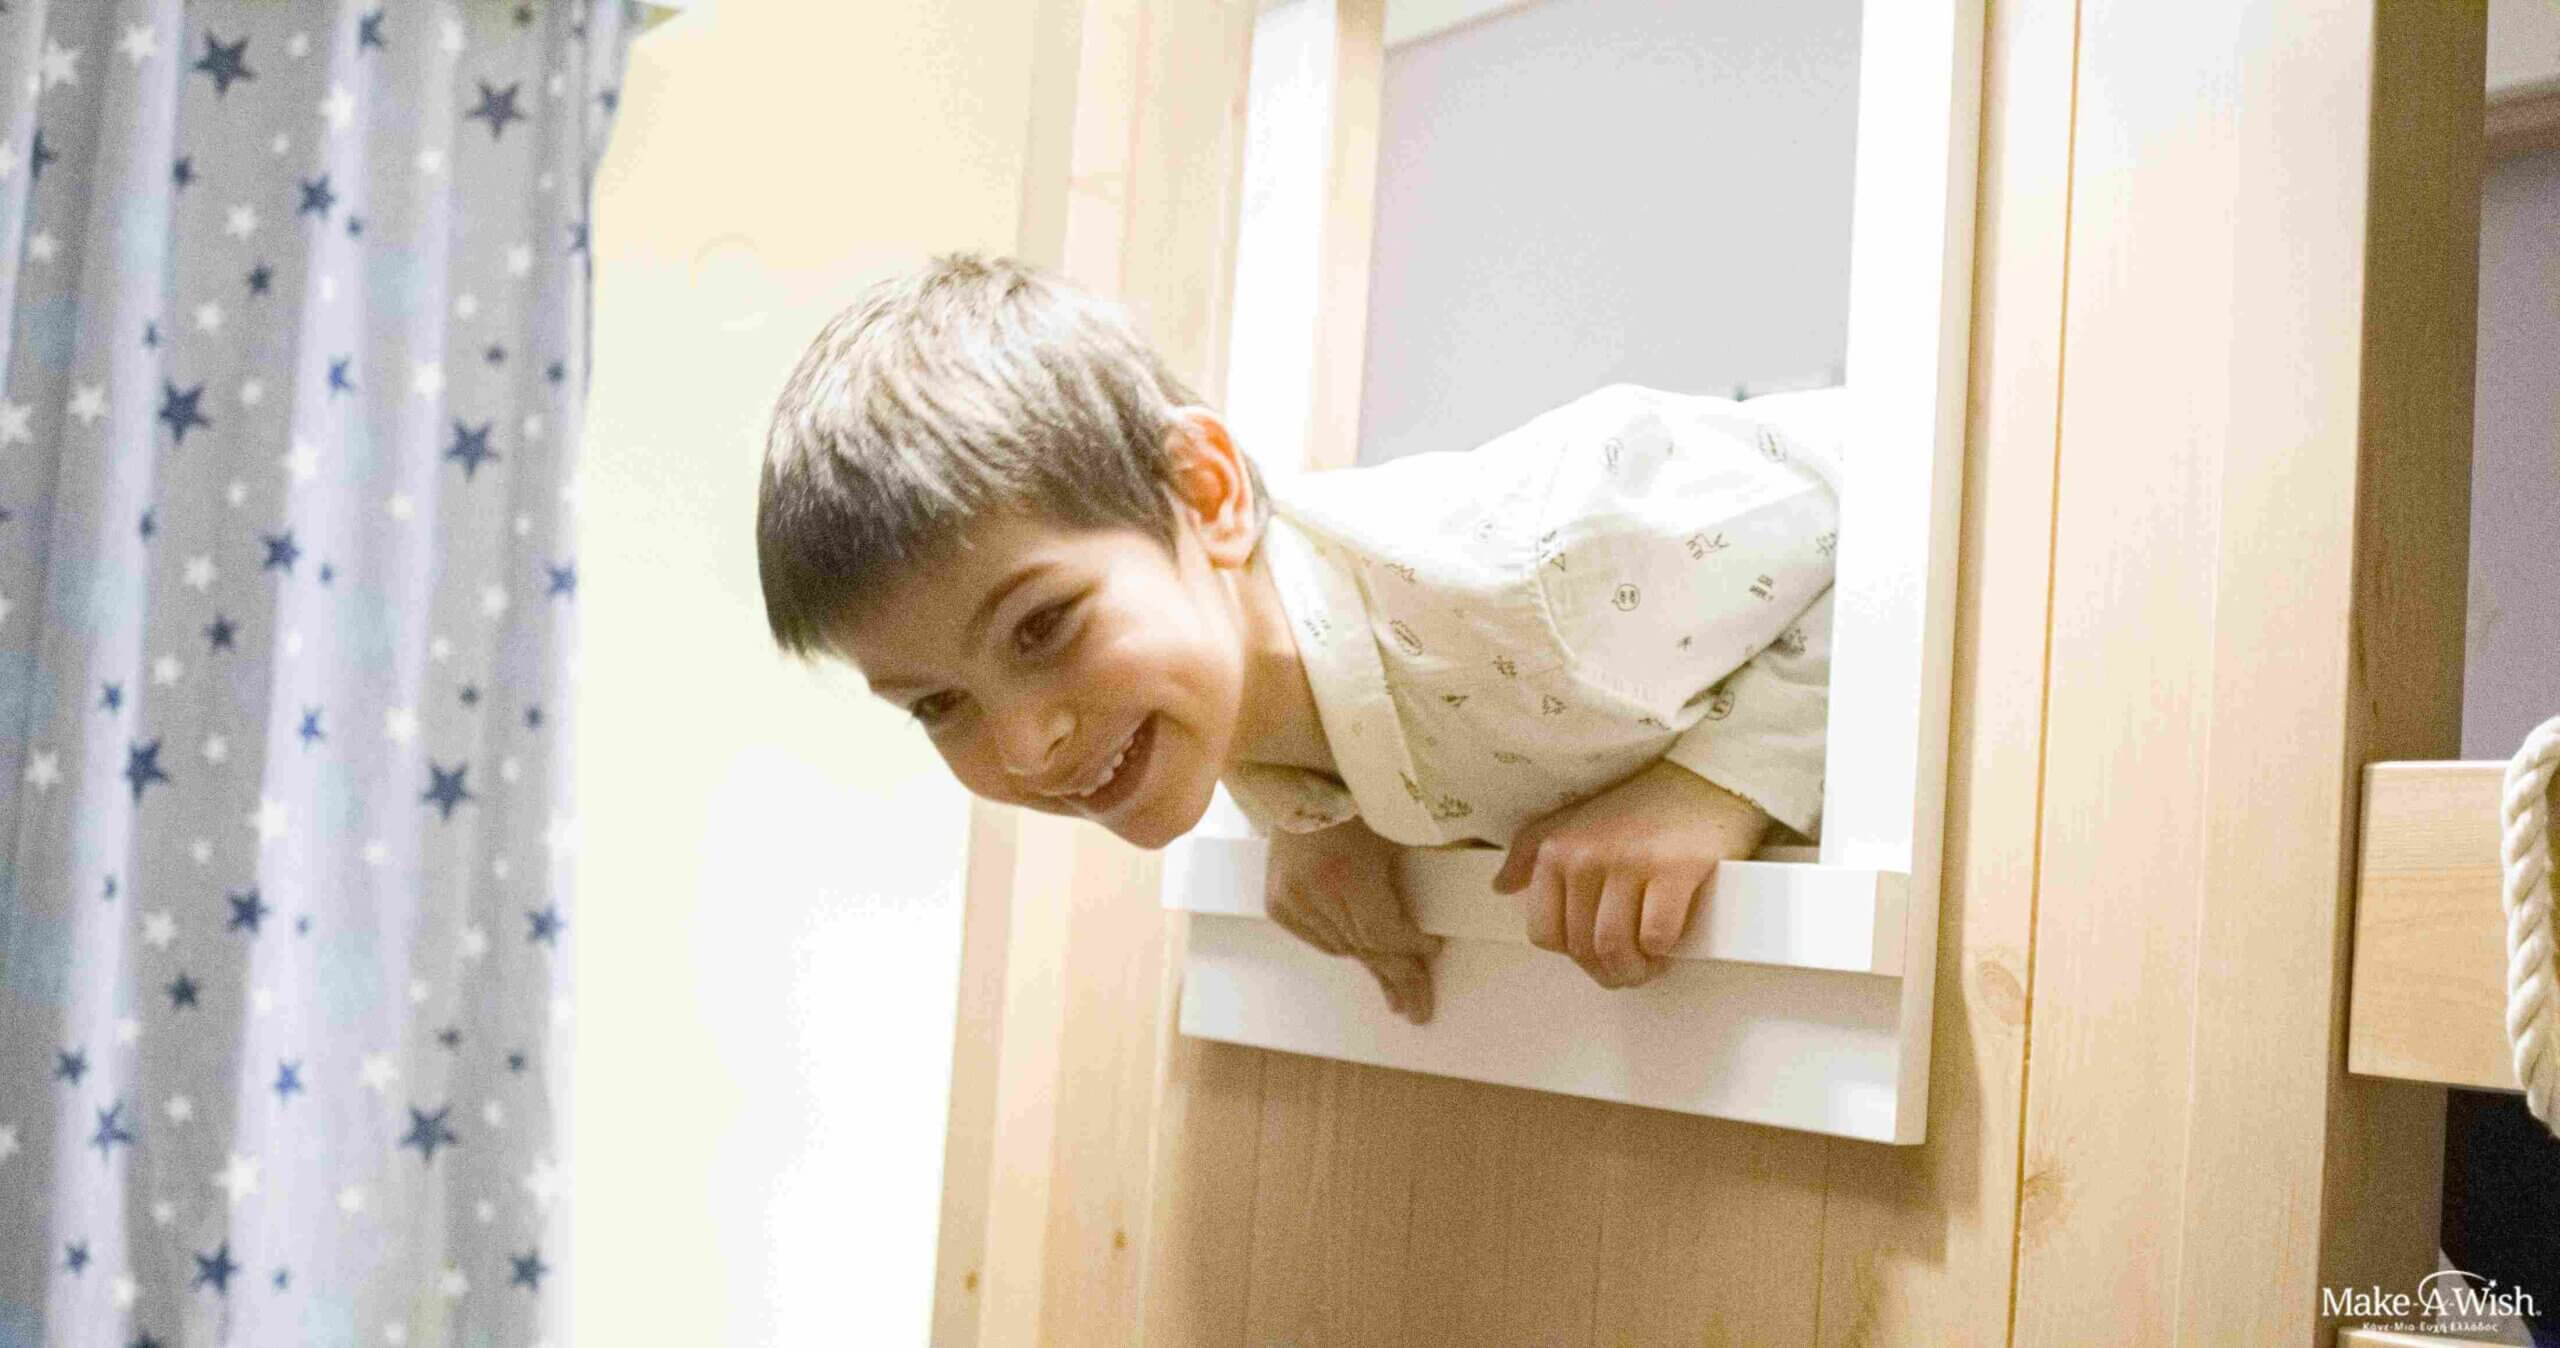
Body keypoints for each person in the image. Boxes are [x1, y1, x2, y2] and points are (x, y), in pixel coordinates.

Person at [755, 253, 1841, 1023]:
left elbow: (1896, 498)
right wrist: (1318, 815)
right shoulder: (1228, 702)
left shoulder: (1546, 565)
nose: (1028, 745)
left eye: (1042, 626)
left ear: (1206, 493)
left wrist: (1720, 783)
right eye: (938, 704)